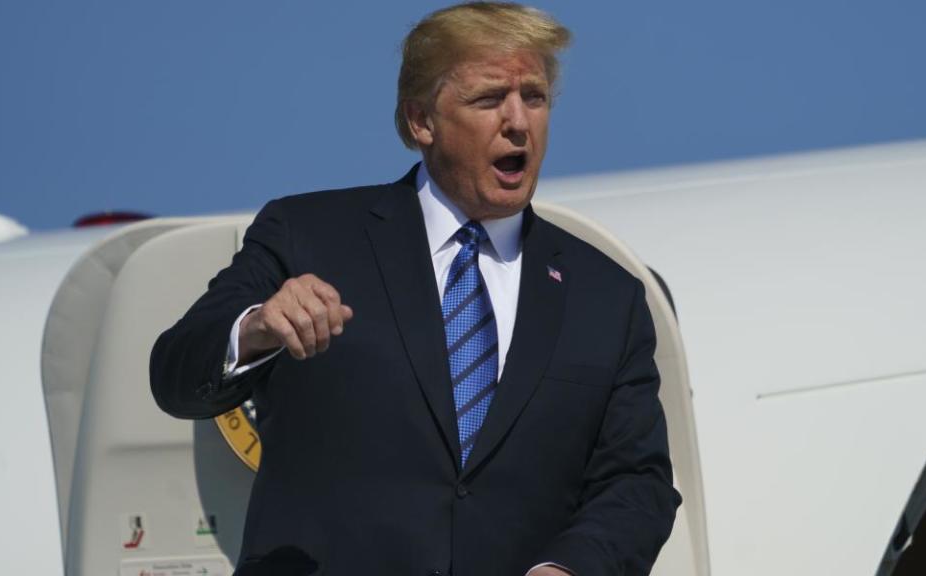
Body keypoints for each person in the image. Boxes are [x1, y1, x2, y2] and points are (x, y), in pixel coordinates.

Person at [150, 3, 681, 575]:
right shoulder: (307, 236)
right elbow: (175, 376)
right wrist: (254, 329)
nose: (519, 122)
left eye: (534, 97)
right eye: (488, 99)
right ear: (420, 121)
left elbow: (638, 482)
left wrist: (572, 568)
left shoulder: (607, 298)